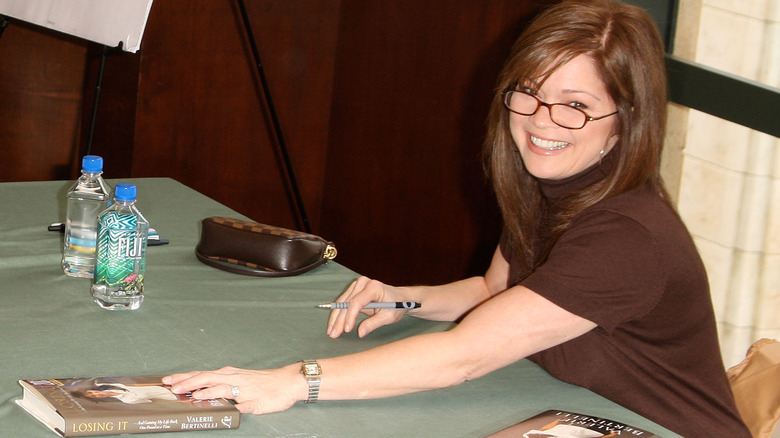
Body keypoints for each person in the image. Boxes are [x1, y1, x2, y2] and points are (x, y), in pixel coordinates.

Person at [164, 1, 751, 436]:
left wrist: (291, 382)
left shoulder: (629, 237)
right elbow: (496, 290)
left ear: (625, 121)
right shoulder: (552, 182)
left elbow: (466, 355)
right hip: (577, 409)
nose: (542, 122)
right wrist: (405, 299)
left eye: (576, 106)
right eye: (530, 92)